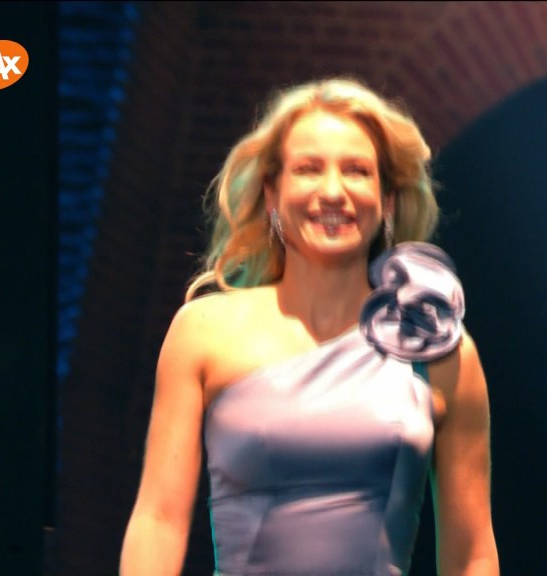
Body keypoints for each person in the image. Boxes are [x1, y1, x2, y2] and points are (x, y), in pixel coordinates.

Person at [120, 77, 498, 576]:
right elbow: (159, 519)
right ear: (272, 194)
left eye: (357, 171)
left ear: (387, 198)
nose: (333, 192)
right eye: (308, 169)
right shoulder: (204, 331)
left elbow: (472, 554)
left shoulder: (439, 349)